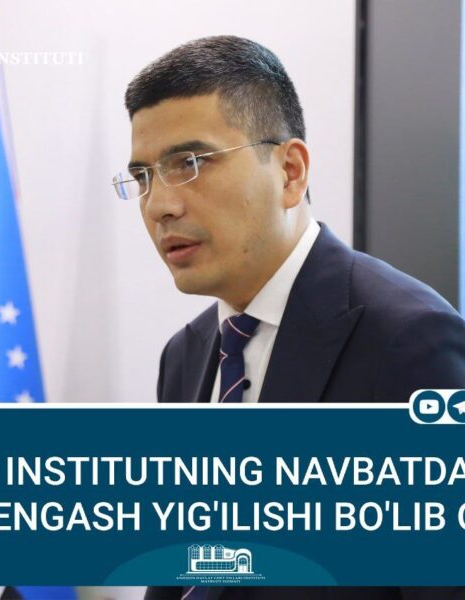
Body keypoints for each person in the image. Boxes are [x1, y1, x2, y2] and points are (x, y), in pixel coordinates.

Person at [116, 36, 465, 600]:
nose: (159, 205)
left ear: (290, 171)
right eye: (143, 177)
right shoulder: (185, 355)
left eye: (190, 164)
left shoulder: (408, 340)